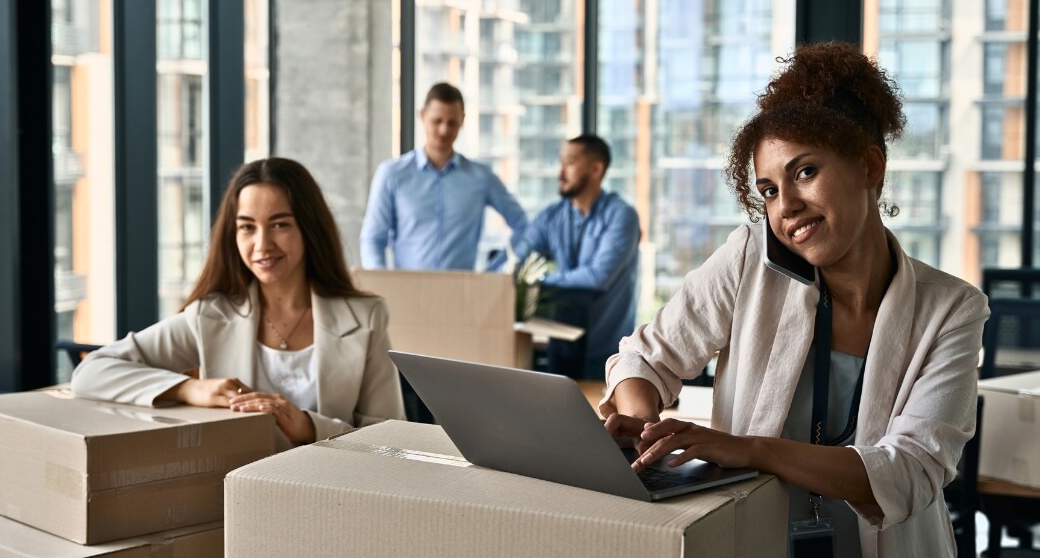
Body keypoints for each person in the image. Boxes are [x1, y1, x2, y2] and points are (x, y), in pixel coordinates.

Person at [601, 42, 986, 558]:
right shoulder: (751, 259)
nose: (787, 208)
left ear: (870, 166)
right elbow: (644, 359)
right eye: (769, 190)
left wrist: (750, 450)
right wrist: (643, 421)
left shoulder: (951, 310)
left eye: (805, 171)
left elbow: (909, 473)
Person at [72, 157, 405, 448]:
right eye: (247, 227)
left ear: (309, 229)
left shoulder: (366, 317)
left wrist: (308, 426)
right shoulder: (211, 316)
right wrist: (191, 389)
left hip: (335, 499)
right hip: (233, 500)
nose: (262, 244)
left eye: (279, 224)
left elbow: (392, 442)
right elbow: (91, 372)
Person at [359, 82, 528, 271]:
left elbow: (523, 225)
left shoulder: (481, 178)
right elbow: (373, 238)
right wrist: (380, 282)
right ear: (422, 116)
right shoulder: (391, 175)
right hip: (406, 291)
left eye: (452, 123)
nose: (444, 130)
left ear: (462, 120)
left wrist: (493, 270)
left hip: (463, 293)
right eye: (437, 121)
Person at [514, 134, 640, 380]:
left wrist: (541, 280)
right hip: (561, 349)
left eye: (570, 163)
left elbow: (597, 277)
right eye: (561, 162)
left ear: (596, 169)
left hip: (607, 353)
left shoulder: (621, 216)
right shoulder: (551, 216)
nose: (561, 172)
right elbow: (519, 262)